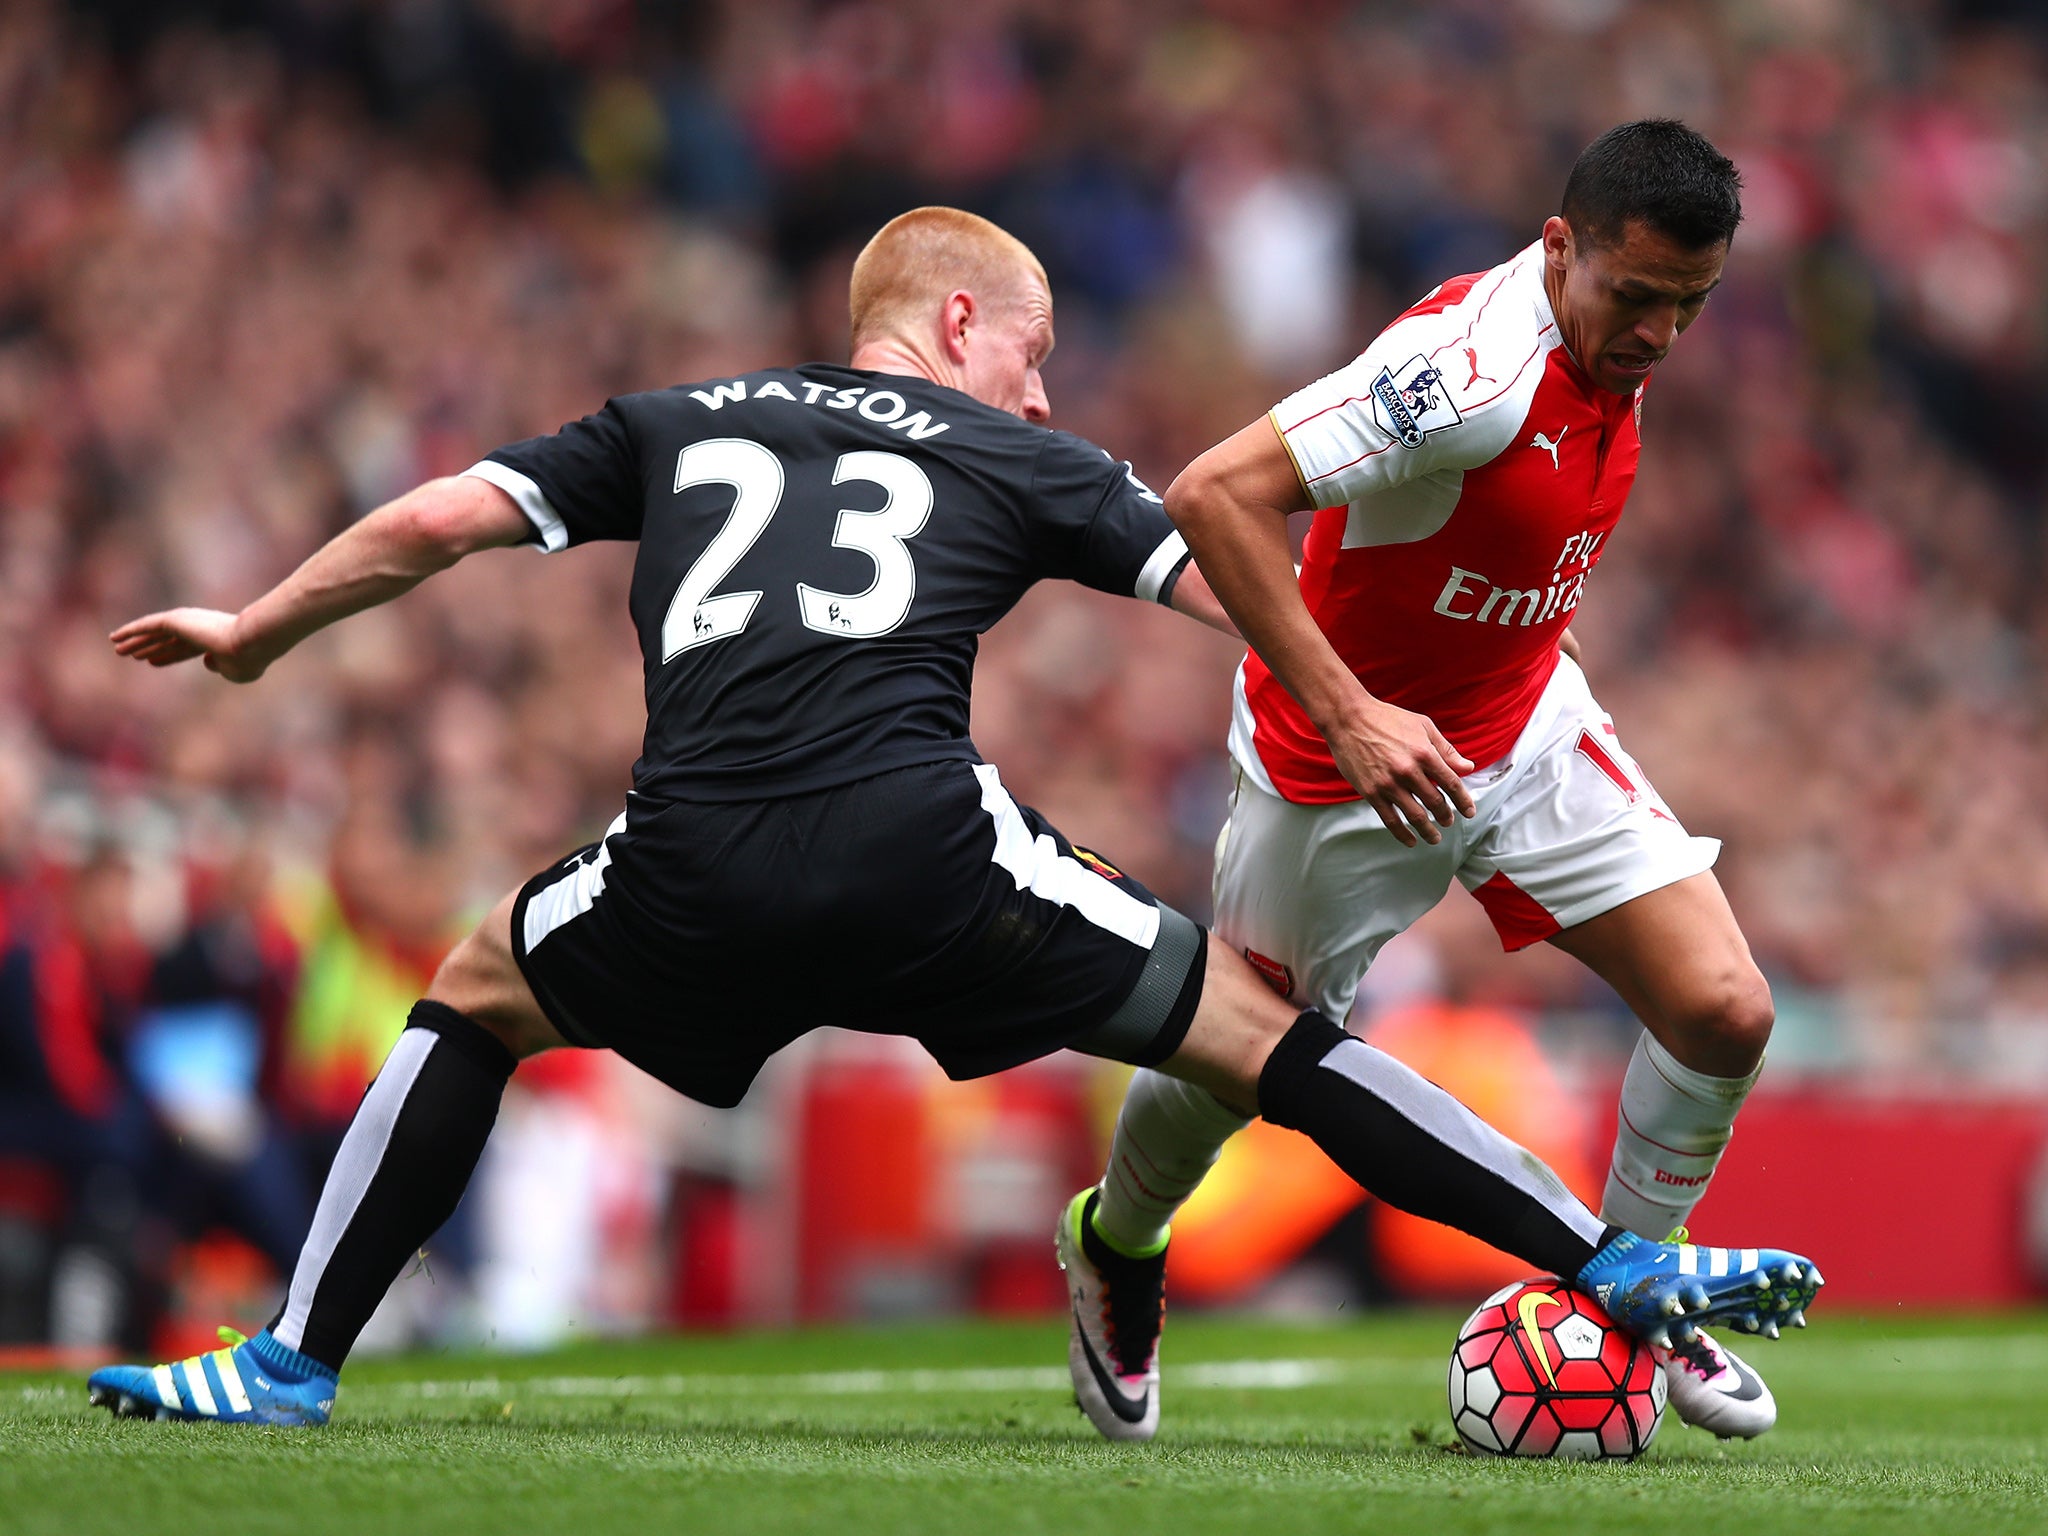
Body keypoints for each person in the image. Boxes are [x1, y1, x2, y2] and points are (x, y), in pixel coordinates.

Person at [87, 206, 1817, 1429]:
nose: (1052, 397)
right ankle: (1605, 1258)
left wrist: (257, 630)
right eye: (1041, 356)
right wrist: (1363, 706)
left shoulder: (677, 420)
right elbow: (1234, 582)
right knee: (1261, 1035)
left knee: (471, 988)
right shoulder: (1017, 458)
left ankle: (294, 1363)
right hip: (927, 859)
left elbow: (437, 521)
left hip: (687, 862)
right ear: (963, 326)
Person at [1062, 121, 1795, 1443]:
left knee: (1726, 1009)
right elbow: (1213, 493)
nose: (1658, 337)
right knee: (1238, 1063)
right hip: (1338, 772)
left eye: (1689, 307)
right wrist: (1349, 715)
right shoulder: (1461, 375)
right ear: (1561, 247)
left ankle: (1626, 1292)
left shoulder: (1618, 332)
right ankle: (1117, 1240)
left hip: (1520, 727)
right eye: (1635, 299)